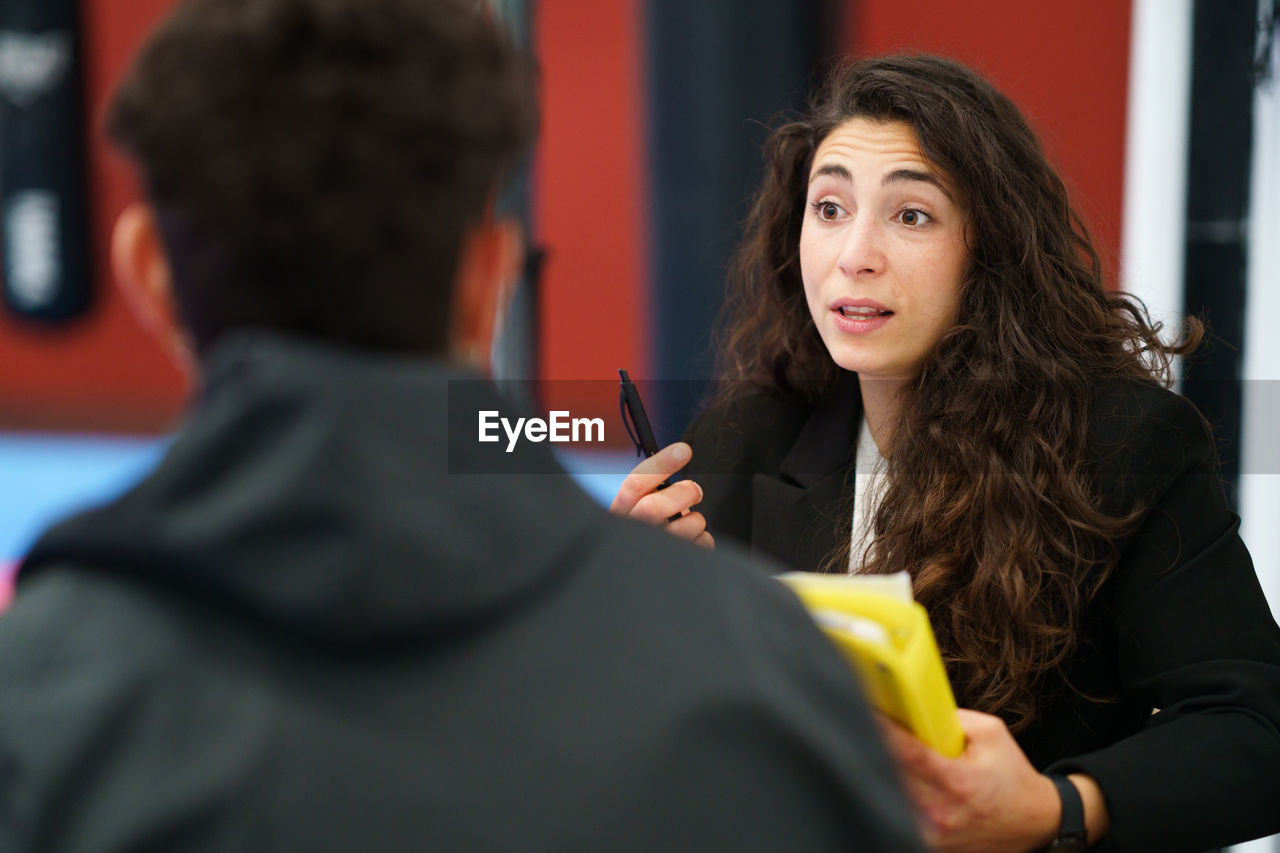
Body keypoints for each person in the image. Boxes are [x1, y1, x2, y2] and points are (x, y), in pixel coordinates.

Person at [0, 4, 927, 850]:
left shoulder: (39, 703)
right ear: (490, 280)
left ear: (148, 273)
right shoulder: (774, 689)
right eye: (830, 207)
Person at [614, 55, 1280, 851]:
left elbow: (1255, 732)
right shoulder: (749, 433)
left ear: (990, 248)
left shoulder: (1125, 444)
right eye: (829, 207)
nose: (854, 253)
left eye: (911, 216)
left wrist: (1056, 807)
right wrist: (641, 599)